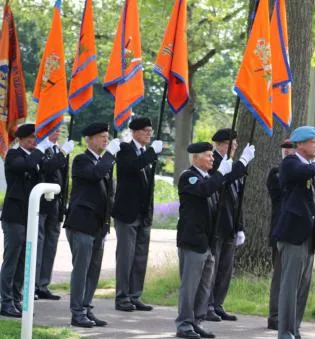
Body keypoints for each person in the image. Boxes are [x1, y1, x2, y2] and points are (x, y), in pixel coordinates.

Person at [272, 126, 315, 339]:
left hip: (307, 236)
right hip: (293, 235)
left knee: (302, 288)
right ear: (300, 144)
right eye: (312, 141)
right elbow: (302, 173)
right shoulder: (291, 162)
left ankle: (294, 329)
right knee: (289, 287)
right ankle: (285, 331)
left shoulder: (309, 166)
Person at [175, 142, 237, 339]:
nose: (212, 159)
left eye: (212, 155)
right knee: (190, 286)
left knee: (204, 287)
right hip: (193, 241)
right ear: (195, 158)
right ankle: (184, 324)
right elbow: (204, 190)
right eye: (208, 156)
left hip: (208, 242)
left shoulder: (209, 177)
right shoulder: (189, 177)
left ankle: (197, 321)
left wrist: (241, 162)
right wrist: (221, 174)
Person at [64, 122, 120, 328]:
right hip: (81, 223)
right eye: (101, 137)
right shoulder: (81, 160)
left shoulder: (104, 162)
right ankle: (77, 312)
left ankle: (86, 308)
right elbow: (95, 174)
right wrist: (110, 155)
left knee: (93, 269)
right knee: (81, 269)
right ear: (89, 139)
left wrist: (108, 222)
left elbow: (109, 195)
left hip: (98, 225)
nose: (106, 140)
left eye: (107, 136)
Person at [112, 117, 163, 312]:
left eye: (150, 131)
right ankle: (122, 296)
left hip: (143, 213)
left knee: (140, 257)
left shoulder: (146, 153)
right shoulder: (125, 149)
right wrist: (151, 153)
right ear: (134, 132)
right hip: (127, 212)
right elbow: (131, 168)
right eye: (145, 131)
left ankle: (135, 294)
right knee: (126, 257)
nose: (149, 134)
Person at [0, 123, 51, 318]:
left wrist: (57, 153)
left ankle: (16, 298)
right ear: (21, 139)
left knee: (24, 260)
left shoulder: (35, 156)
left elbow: (50, 168)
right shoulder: (14, 155)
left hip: (30, 215)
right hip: (15, 215)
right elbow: (25, 166)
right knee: (12, 259)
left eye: (35, 137)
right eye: (30, 138)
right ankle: (5, 301)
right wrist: (39, 151)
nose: (34, 141)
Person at [205, 128, 255, 322]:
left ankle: (217, 304)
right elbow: (225, 179)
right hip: (217, 223)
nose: (234, 147)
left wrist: (240, 225)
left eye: (234, 144)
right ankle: (207, 304)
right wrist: (242, 162)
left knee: (225, 269)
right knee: (213, 267)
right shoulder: (213, 162)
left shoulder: (230, 164)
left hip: (230, 224)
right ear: (220, 145)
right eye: (231, 144)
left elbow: (236, 199)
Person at [36, 127, 74, 300]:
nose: (57, 131)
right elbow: (47, 168)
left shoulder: (57, 149)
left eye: (59, 128)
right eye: (53, 127)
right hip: (42, 204)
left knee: (50, 245)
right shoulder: (40, 147)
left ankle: (43, 284)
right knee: (39, 244)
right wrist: (62, 153)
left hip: (55, 205)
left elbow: (63, 179)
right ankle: (34, 284)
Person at [266, 139, 295, 331]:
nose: (288, 152)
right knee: (280, 275)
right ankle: (275, 315)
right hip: (281, 229)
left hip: (297, 232)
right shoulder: (276, 173)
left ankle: (288, 315)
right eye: (285, 150)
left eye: (291, 149)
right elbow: (281, 193)